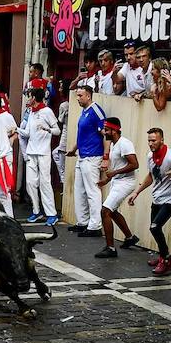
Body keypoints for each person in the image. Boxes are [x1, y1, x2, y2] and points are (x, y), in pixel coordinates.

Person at [127, 127, 171, 275]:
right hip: (157, 197)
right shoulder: (150, 156)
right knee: (154, 229)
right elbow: (151, 176)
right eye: (149, 141)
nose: (151, 144)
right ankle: (164, 256)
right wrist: (136, 192)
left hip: (170, 198)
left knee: (155, 227)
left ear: (162, 140)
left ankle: (165, 259)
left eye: (154, 140)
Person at [94, 117, 140, 258]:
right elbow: (119, 166)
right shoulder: (114, 144)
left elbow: (134, 164)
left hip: (126, 182)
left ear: (114, 130)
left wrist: (114, 173)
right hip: (118, 181)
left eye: (106, 129)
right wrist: (106, 180)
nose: (104, 132)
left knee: (105, 211)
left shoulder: (125, 144)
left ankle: (110, 248)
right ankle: (129, 237)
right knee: (112, 211)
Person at [67, 86, 107, 238]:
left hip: (92, 156)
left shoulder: (95, 111)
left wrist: (106, 156)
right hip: (82, 155)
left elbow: (105, 133)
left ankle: (95, 225)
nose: (78, 98)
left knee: (92, 191)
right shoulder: (84, 112)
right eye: (77, 95)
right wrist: (74, 148)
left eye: (80, 95)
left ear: (89, 96)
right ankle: (82, 222)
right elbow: (83, 134)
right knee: (79, 190)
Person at [20, 87, 59, 224]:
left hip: (43, 152)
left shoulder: (47, 111)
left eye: (29, 96)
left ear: (35, 98)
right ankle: (36, 211)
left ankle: (51, 214)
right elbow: (28, 133)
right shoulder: (30, 112)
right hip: (31, 152)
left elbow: (57, 131)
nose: (28, 99)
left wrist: (46, 129)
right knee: (30, 183)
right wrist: (16, 129)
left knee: (45, 183)